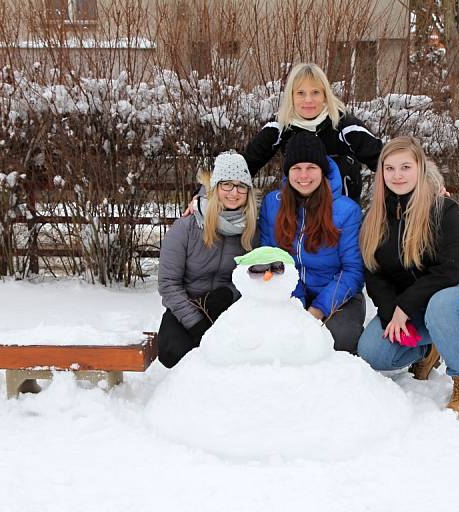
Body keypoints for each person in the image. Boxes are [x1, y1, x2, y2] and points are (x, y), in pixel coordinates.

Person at [356, 137, 459, 419]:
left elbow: (449, 272)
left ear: (419, 167)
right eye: (389, 168)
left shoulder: (444, 210)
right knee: (371, 352)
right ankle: (428, 349)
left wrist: (404, 307)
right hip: (413, 310)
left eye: (405, 166)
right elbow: (374, 274)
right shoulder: (374, 218)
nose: (397, 175)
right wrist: (391, 311)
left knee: (441, 305)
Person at [258, 131, 365, 353]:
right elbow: (273, 258)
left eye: (311, 168)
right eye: (296, 168)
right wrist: (297, 304)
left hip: (337, 296)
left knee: (338, 340)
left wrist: (317, 309)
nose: (303, 175)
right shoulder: (272, 204)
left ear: (323, 171)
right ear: (288, 172)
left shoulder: (346, 210)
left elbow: (353, 270)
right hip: (289, 293)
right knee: (275, 340)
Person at [157, 151, 258, 368]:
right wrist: (195, 323)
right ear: (215, 188)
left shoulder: (251, 230)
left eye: (241, 186)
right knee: (173, 351)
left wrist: (229, 293)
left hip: (227, 308)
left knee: (235, 356)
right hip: (185, 306)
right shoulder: (186, 227)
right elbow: (168, 283)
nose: (234, 192)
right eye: (227, 184)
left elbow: (254, 278)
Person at [244, 62, 383, 203]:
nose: (308, 100)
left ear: (325, 94)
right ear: (291, 96)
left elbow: (385, 162)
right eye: (300, 93)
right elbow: (245, 165)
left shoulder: (344, 125)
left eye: (315, 92)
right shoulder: (280, 126)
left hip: (342, 216)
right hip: (296, 214)